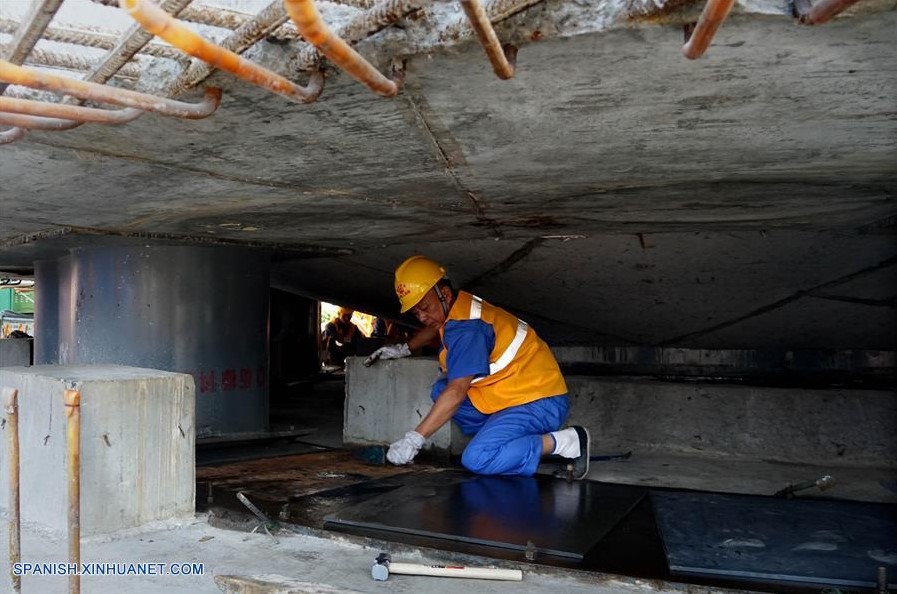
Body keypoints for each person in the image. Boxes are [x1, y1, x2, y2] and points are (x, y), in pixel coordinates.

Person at [364, 255, 590, 479]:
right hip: (511, 391)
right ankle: (502, 436)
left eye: (424, 307)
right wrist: (405, 348)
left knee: (478, 458)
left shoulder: (468, 329)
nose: (422, 317)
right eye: (416, 312)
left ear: (444, 294)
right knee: (439, 390)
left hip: (538, 401)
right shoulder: (457, 307)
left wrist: (414, 439)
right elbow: (436, 326)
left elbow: (457, 391)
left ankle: (568, 442)